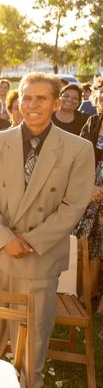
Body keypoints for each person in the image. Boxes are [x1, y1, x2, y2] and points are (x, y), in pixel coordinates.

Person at [0, 73, 94, 388]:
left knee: (34, 328)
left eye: (41, 98)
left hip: (39, 255)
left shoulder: (78, 149)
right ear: (18, 102)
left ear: (56, 104)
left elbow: (74, 205)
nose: (32, 105)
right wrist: (5, 238)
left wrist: (30, 241)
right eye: (27, 97)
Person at [74, 88, 103, 314]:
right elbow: (80, 156)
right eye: (101, 93)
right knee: (86, 241)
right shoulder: (93, 122)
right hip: (90, 190)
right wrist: (90, 186)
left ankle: (96, 299)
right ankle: (83, 296)